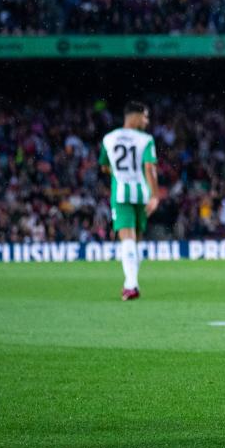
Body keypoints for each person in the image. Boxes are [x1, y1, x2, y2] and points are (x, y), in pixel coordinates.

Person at [101, 103, 159, 300]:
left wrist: (119, 174)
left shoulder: (109, 138)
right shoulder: (145, 140)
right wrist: (155, 195)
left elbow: (104, 166)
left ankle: (131, 284)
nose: (146, 121)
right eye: (145, 117)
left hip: (121, 194)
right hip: (141, 193)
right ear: (134, 116)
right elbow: (149, 168)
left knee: (127, 238)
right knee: (136, 239)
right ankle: (131, 283)